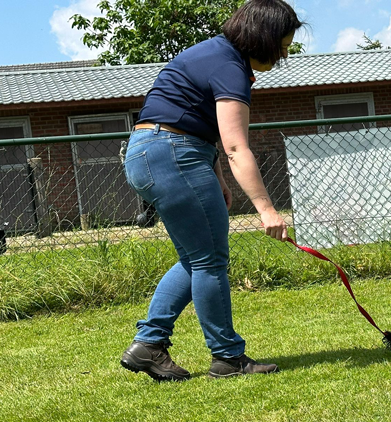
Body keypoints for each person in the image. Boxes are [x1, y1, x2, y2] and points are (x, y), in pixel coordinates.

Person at [120, 0, 304, 381]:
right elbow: (237, 146)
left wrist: (216, 176)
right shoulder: (229, 67)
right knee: (209, 260)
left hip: (153, 152)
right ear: (263, 36)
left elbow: (194, 121)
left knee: (197, 257)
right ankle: (228, 357)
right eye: (283, 44)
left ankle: (148, 345)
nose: (285, 53)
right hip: (172, 154)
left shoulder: (213, 53)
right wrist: (266, 209)